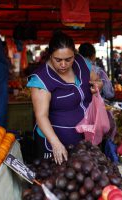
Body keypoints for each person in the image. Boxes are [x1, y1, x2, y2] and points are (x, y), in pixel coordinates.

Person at [27, 31, 102, 164]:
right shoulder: (41, 79)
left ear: (75, 54)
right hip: (53, 143)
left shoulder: (81, 62)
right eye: (58, 60)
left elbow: (96, 79)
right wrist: (56, 144)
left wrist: (98, 85)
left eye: (68, 59)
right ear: (50, 55)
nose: (63, 64)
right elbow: (41, 116)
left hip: (83, 139)